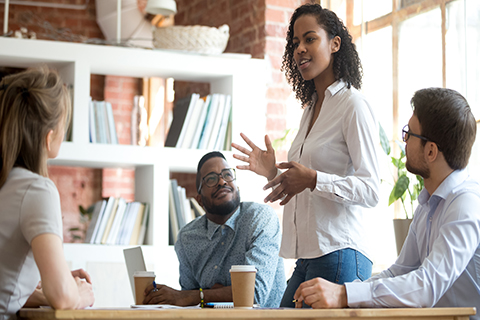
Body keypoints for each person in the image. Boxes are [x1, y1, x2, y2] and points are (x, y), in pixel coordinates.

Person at [231, 3, 380, 307]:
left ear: (335, 43)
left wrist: (313, 179)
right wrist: (273, 173)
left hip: (340, 253)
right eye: (295, 42)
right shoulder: (311, 109)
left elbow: (371, 190)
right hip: (309, 256)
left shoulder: (354, 105)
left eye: (310, 39)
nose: (299, 49)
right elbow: (304, 185)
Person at [293, 87, 480, 316]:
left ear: (431, 151)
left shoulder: (465, 205)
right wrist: (344, 291)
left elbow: (427, 286)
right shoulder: (429, 203)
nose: (404, 141)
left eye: (409, 134)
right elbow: (398, 273)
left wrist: (344, 295)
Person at [0, 67, 95, 319]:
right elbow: (63, 297)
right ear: (49, 136)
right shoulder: (36, 189)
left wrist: (54, 283)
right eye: (65, 124)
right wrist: (80, 294)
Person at [143, 151, 286, 307]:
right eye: (211, 179)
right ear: (199, 200)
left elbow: (253, 294)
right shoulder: (187, 238)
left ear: (237, 187)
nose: (222, 181)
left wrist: (202, 295)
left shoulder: (260, 218)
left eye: (227, 174)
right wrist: (207, 296)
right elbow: (189, 302)